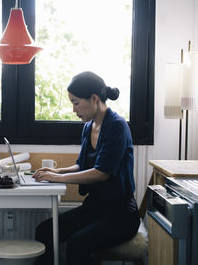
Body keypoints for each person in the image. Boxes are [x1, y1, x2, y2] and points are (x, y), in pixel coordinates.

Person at [33, 71, 140, 265]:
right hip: (95, 207)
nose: (74, 110)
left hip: (121, 214)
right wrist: (57, 171)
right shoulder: (88, 127)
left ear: (94, 98)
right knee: (44, 231)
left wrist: (58, 179)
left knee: (77, 244)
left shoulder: (117, 126)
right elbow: (83, 165)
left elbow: (101, 173)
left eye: (76, 103)